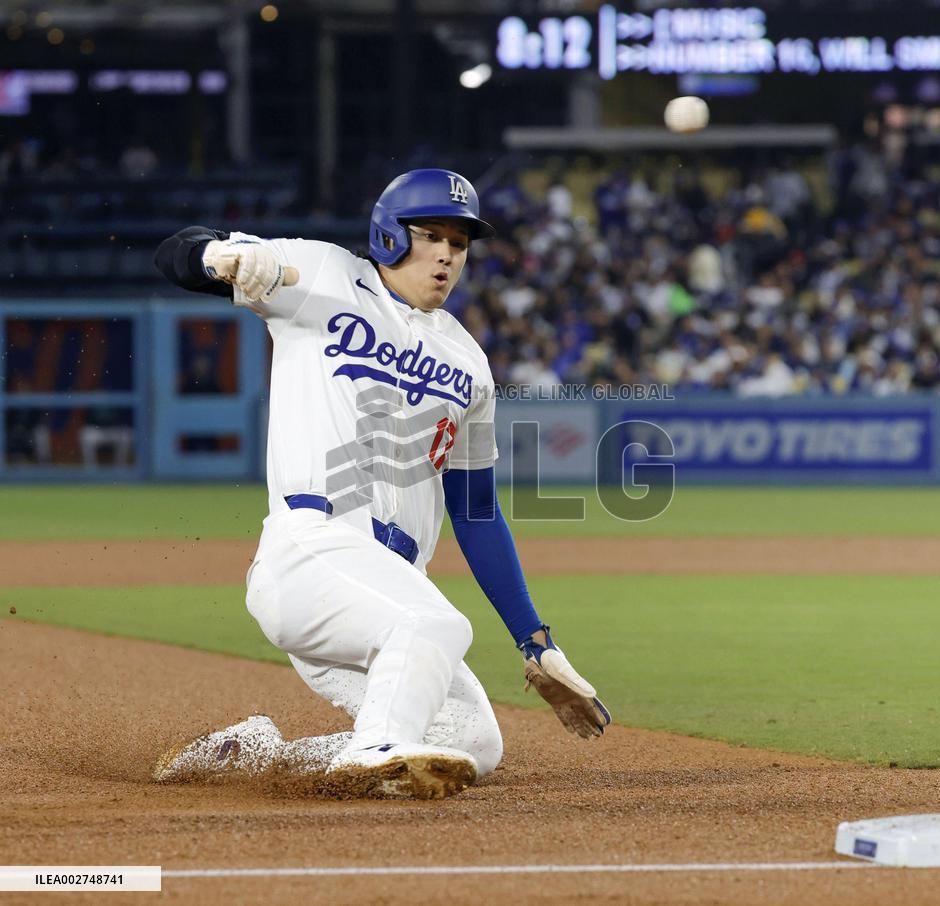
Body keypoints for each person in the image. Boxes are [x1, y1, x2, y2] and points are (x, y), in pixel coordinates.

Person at [151, 168, 610, 799]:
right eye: (431, 235)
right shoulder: (321, 277)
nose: (448, 253)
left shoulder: (469, 363)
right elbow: (176, 254)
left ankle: (261, 757)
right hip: (310, 552)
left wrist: (535, 641)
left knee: (475, 740)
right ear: (390, 236)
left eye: (460, 241)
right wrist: (219, 256)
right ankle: (375, 748)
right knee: (440, 627)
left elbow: (475, 510)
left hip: (385, 595)